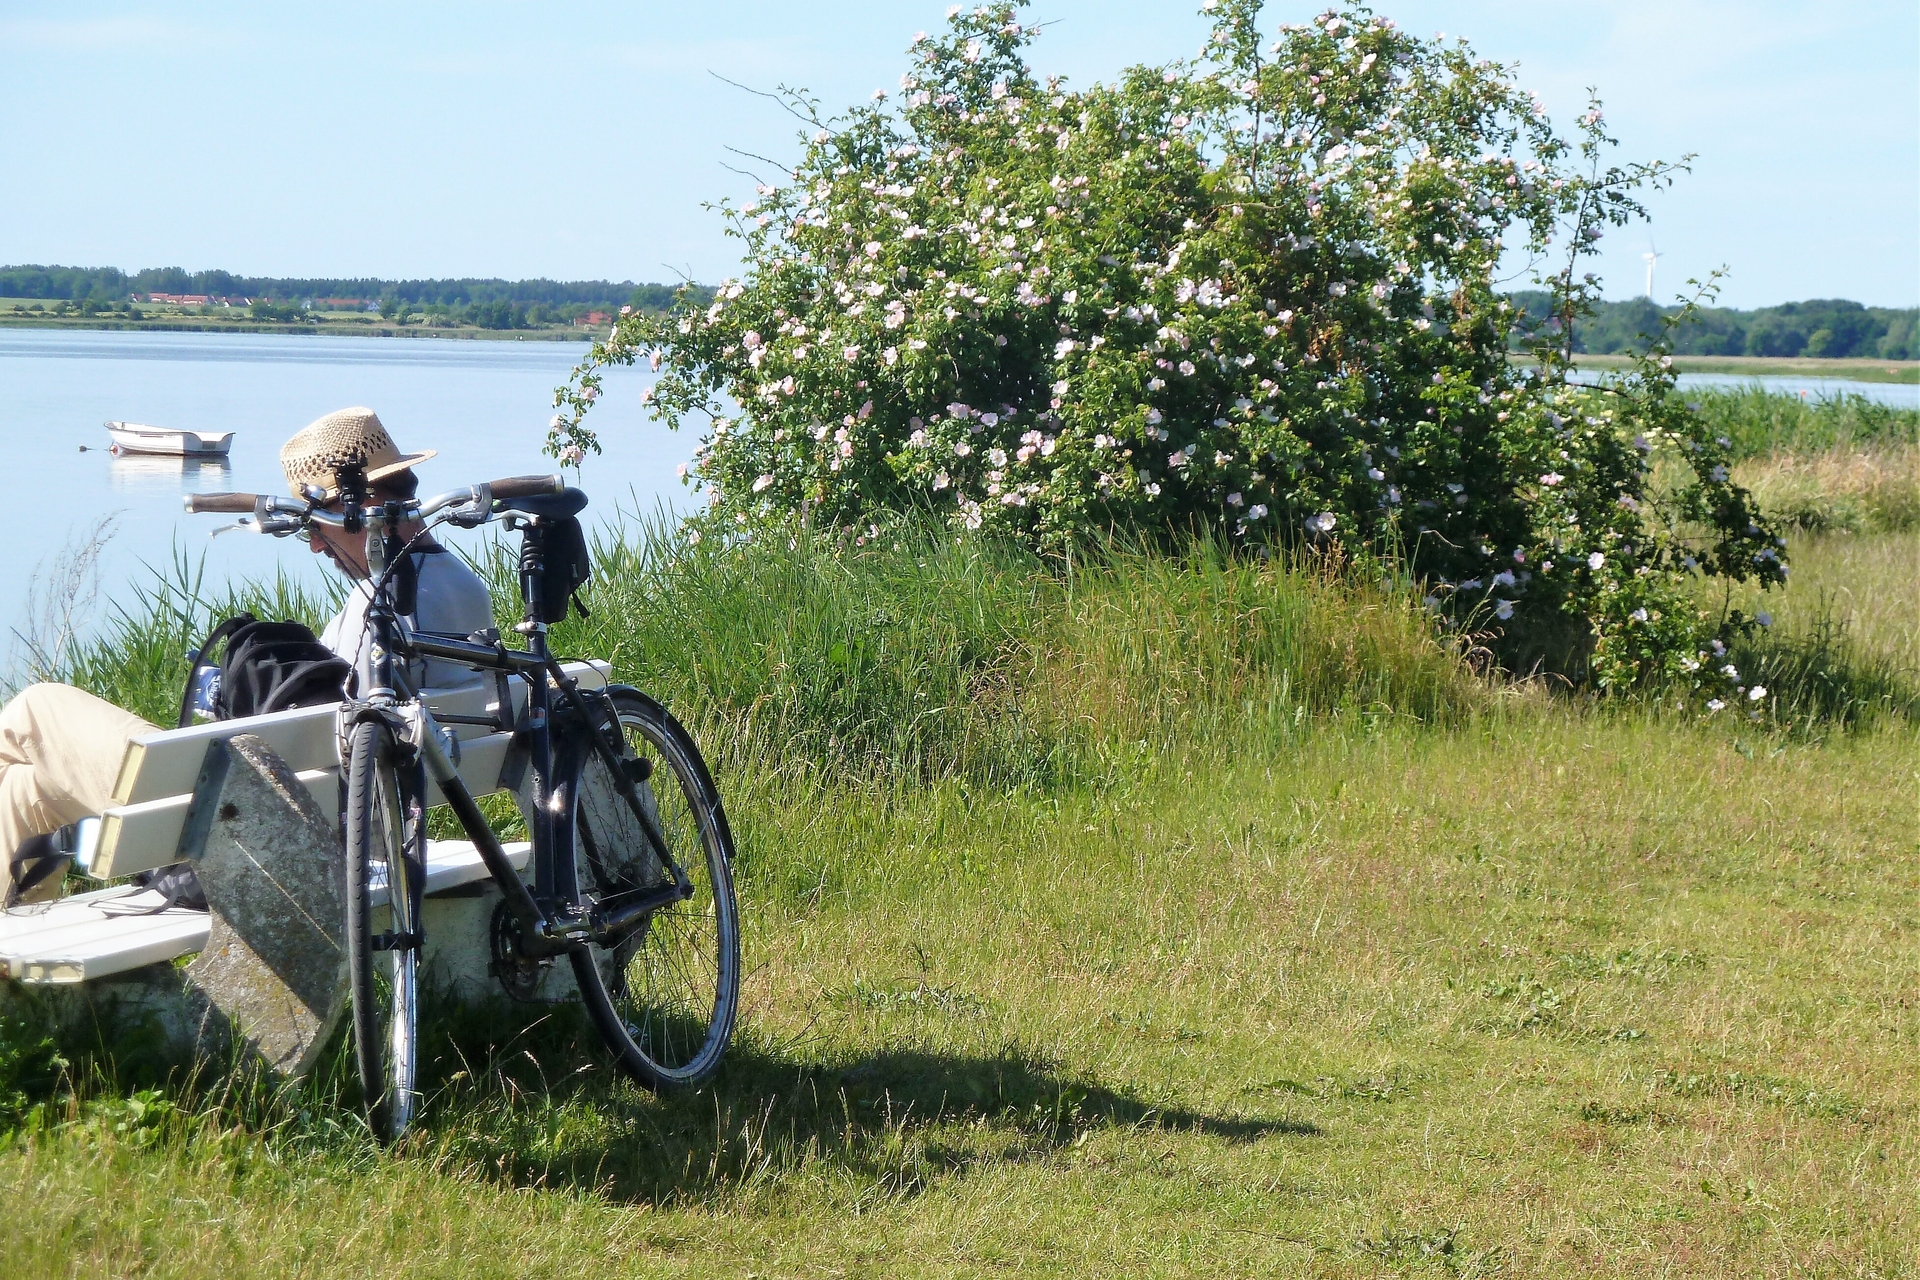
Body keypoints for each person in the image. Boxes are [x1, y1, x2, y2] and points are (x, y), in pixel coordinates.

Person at [1, 407, 492, 905]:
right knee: (25, 791)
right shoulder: (461, 586)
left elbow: (344, 734)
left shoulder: (380, 607)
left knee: (32, 711)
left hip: (252, 825)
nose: (317, 546)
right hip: (335, 810)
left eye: (316, 526)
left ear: (359, 505)